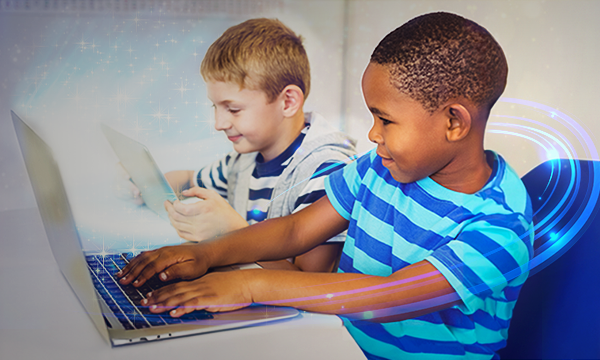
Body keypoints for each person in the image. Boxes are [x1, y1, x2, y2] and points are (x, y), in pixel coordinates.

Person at [118, 12, 534, 359]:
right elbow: (297, 229)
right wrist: (205, 253)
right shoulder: (378, 168)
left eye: (385, 120)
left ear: (454, 122)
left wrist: (246, 283)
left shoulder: (499, 225)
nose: (372, 135)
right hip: (333, 345)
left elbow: (390, 297)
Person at [131, 18, 356, 272]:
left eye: (233, 109)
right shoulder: (243, 159)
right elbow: (188, 179)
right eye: (214, 107)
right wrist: (146, 183)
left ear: (288, 102)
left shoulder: (326, 171)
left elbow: (308, 282)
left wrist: (232, 232)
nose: (219, 123)